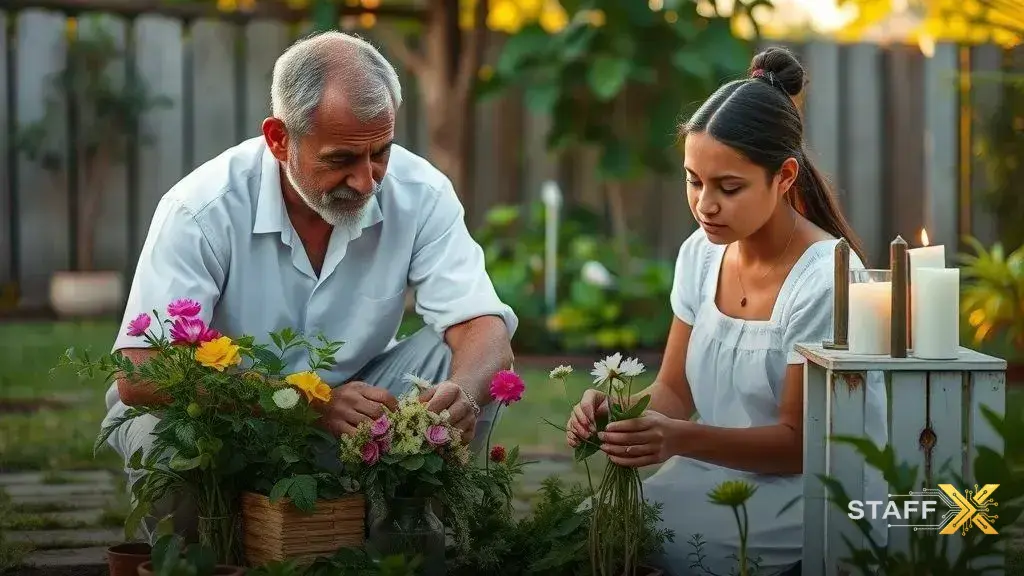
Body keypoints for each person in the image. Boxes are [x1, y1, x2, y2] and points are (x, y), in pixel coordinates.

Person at [101, 30, 517, 543]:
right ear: (279, 139)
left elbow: (484, 325)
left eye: (380, 153)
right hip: (225, 420)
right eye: (341, 159)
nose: (367, 180)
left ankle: (404, 548)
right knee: (164, 439)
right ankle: (203, 553)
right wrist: (304, 401)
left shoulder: (421, 192)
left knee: (461, 364)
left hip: (354, 415)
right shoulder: (201, 209)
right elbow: (139, 372)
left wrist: (467, 397)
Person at [566, 47, 888, 576]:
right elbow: (674, 391)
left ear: (784, 177)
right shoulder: (701, 253)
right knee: (588, 532)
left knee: (677, 552)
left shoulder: (826, 278)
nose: (705, 205)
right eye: (694, 180)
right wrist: (622, 413)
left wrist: (677, 438)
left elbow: (798, 446)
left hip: (813, 490)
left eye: (728, 187)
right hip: (715, 470)